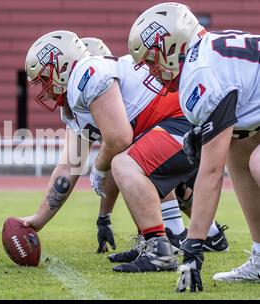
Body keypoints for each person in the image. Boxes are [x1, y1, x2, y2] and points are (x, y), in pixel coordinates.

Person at [21, 30, 208, 273]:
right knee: (128, 161)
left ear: (63, 66)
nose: (44, 89)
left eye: (45, 78)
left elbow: (119, 137)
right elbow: (69, 165)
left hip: (186, 120)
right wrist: (39, 218)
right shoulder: (74, 102)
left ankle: (159, 250)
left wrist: (99, 169)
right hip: (175, 124)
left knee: (123, 163)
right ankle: (152, 242)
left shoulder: (86, 75)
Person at [128, 2, 260, 290]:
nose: (152, 71)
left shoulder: (200, 73)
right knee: (239, 150)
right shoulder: (208, 50)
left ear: (173, 45)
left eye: (152, 60)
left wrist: (193, 248)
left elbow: (210, 174)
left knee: (257, 162)